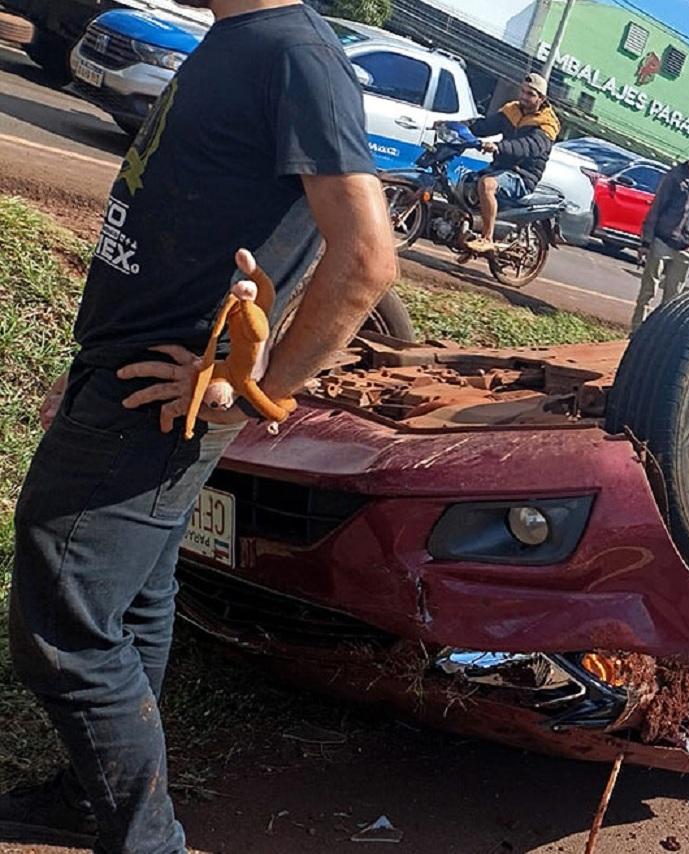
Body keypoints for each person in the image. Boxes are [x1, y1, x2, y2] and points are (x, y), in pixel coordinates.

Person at [0, 0, 398, 850]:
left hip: (159, 401)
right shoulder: (241, 41)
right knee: (136, 601)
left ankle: (147, 841)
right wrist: (90, 361)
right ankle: (90, 797)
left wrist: (254, 385)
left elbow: (365, 258)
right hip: (130, 377)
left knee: (62, 623)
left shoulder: (297, 53)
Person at [631, 136, 689, 331]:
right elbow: (656, 208)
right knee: (648, 291)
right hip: (662, 241)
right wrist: (646, 242)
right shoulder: (675, 176)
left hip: (687, 247)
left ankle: (659, 336)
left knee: (672, 301)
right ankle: (636, 332)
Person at [463, 73, 559, 254]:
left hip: (522, 176)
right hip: (501, 169)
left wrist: (498, 147)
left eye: (530, 94)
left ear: (542, 99)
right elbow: (485, 126)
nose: (524, 97)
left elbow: (527, 147)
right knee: (465, 183)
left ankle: (487, 238)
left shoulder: (547, 125)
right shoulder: (512, 110)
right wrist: (459, 127)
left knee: (487, 184)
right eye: (523, 92)